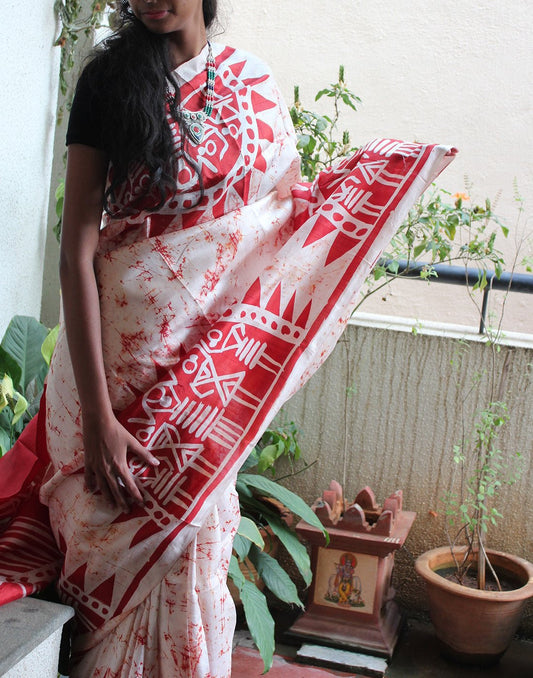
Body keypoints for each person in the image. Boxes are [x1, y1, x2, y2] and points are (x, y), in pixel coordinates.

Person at [0, 1, 456, 676]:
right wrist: (97, 419)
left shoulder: (252, 84)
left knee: (193, 541)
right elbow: (77, 251)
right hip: (111, 368)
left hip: (204, 373)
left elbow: (281, 219)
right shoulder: (107, 82)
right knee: (105, 532)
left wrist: (363, 191)